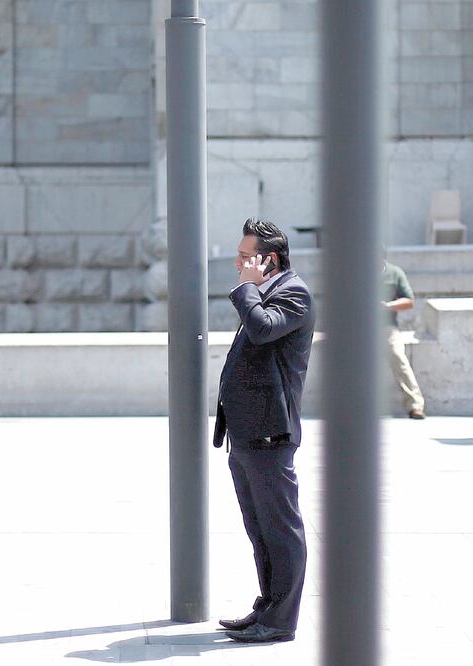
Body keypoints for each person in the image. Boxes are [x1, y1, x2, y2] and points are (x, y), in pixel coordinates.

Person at [213, 218, 315, 643]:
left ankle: (281, 620)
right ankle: (268, 607)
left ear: (268, 259)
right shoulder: (267, 291)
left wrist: (247, 288)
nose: (237, 263)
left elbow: (262, 329)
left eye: (245, 256)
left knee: (280, 528)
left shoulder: (293, 293)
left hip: (271, 431)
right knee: (260, 528)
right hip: (248, 432)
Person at [381, 251, 426, 419]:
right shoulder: (357, 271)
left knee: (398, 357)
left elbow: (409, 300)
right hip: (360, 328)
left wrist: (388, 306)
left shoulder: (394, 273)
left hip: (387, 327)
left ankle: (415, 405)